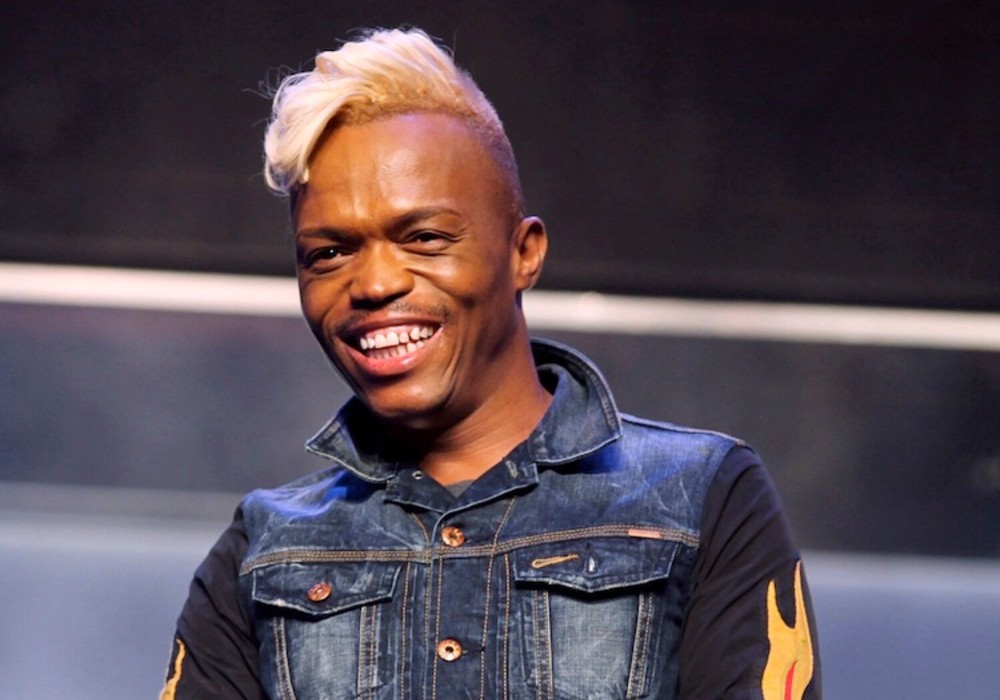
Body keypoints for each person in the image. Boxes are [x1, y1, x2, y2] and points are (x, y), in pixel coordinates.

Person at [161, 27, 820, 700]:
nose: (374, 283)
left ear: (523, 253)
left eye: (423, 237)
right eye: (329, 253)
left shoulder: (700, 497)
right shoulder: (264, 549)